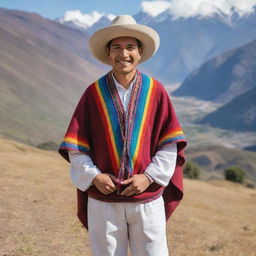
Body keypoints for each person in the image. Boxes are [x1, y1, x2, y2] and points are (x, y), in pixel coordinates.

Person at [59, 15, 186, 256]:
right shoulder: (93, 94)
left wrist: (148, 177)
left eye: (130, 47)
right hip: (103, 201)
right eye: (117, 47)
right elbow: (76, 147)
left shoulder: (156, 92)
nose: (123, 54)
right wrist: (94, 177)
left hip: (147, 200)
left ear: (140, 52)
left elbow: (169, 145)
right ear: (108, 53)